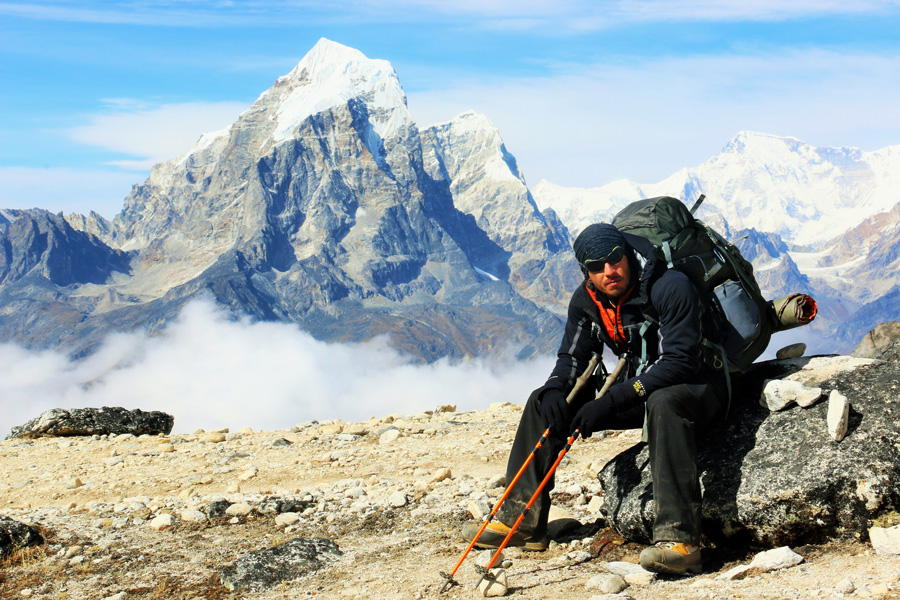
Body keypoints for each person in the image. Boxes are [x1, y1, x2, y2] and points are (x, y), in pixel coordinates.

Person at [461, 222, 728, 575]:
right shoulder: (587, 301)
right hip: (642, 388)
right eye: (595, 266)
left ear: (627, 255)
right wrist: (557, 389)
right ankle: (520, 520)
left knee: (665, 401)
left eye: (614, 259)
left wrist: (613, 399)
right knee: (543, 401)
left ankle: (680, 541)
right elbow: (573, 359)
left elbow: (680, 361)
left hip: (701, 386)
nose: (608, 271)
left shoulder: (669, 286)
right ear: (585, 270)